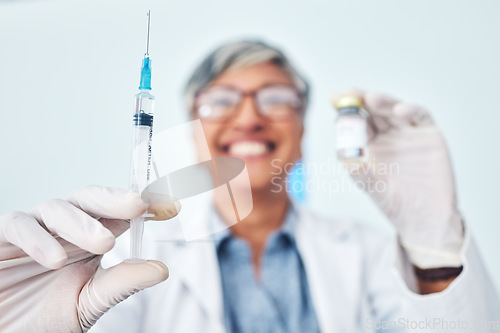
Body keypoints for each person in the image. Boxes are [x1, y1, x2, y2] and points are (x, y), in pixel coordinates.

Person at [1, 40, 499, 333]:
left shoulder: (366, 254)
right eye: (221, 101)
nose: (249, 117)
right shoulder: (123, 256)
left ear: (303, 132)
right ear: (195, 134)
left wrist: (435, 244)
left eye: (276, 98)